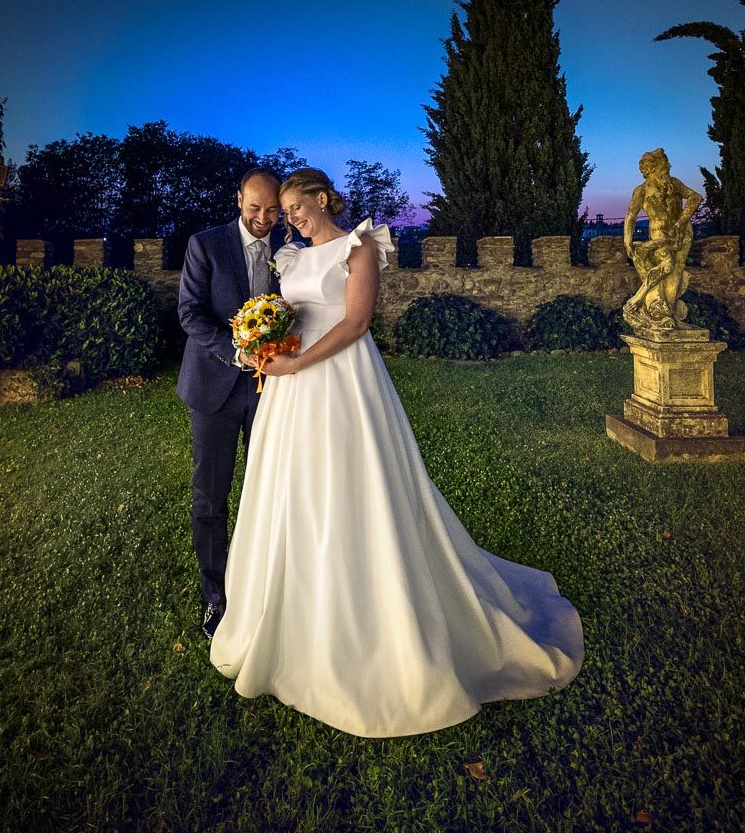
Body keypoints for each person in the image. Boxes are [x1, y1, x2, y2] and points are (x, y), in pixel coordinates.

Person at [210, 167, 584, 737]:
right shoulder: (287, 258)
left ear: (323, 197)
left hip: (343, 384)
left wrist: (297, 363)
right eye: (285, 212)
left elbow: (357, 323)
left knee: (356, 488)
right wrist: (268, 348)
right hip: (290, 393)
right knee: (292, 489)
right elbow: (288, 316)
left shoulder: (359, 246)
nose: (292, 219)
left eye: (298, 206)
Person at [176, 168, 302, 641]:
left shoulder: (291, 253)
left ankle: (261, 591)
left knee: (265, 492)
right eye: (254, 208)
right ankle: (215, 597)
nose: (263, 218)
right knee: (211, 496)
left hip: (272, 392)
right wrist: (235, 351)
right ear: (238, 201)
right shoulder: (205, 244)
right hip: (213, 389)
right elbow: (190, 313)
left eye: (272, 210)